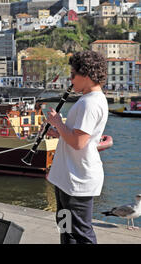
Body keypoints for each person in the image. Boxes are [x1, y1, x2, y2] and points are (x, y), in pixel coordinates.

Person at [45, 50, 108, 244]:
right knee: (65, 228)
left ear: (86, 75)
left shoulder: (90, 104)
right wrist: (58, 133)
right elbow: (77, 137)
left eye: (73, 75)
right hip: (67, 179)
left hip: (77, 181)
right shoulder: (87, 101)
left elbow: (79, 143)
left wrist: (57, 123)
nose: (70, 80)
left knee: (80, 233)